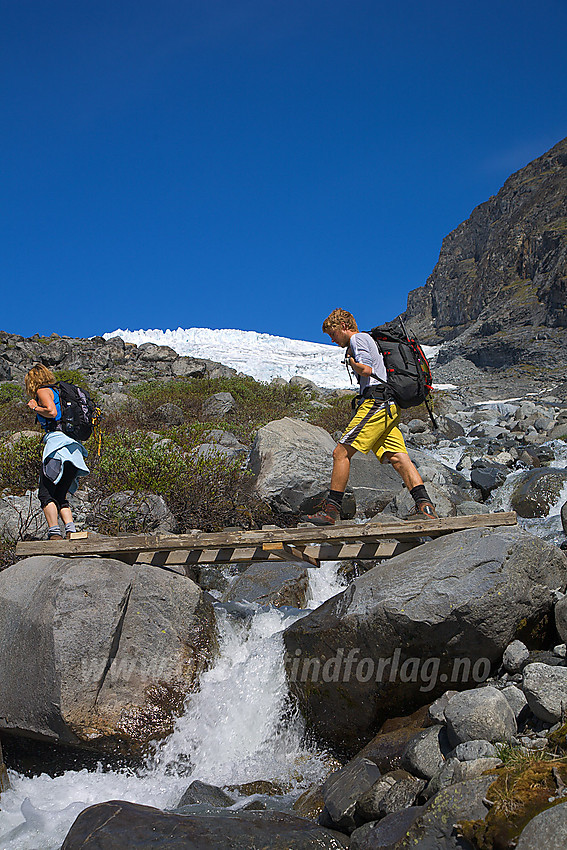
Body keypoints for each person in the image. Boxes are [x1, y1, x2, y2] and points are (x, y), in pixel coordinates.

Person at [302, 308, 438, 525]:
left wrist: (353, 363)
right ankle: (426, 506)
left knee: (340, 453)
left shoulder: (358, 339)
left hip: (376, 403)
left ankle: (331, 511)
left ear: (344, 326)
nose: (332, 339)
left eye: (333, 333)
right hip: (390, 407)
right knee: (398, 458)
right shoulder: (367, 339)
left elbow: (366, 369)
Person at [25, 364, 89, 540]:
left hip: (57, 447)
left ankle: (54, 533)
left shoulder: (42, 391)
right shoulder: (59, 392)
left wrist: (35, 407)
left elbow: (51, 412)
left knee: (45, 493)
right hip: (73, 449)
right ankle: (71, 531)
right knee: (61, 494)